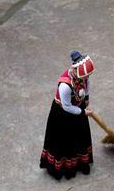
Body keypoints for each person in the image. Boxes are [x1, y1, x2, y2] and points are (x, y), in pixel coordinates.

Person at [39, 51, 96, 179]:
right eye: (84, 77)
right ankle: (65, 169)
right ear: (75, 71)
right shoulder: (65, 85)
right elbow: (67, 107)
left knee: (80, 138)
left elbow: (86, 85)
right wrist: (82, 112)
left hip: (79, 107)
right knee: (65, 142)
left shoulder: (83, 76)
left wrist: (86, 99)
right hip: (63, 115)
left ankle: (81, 164)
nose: (86, 79)